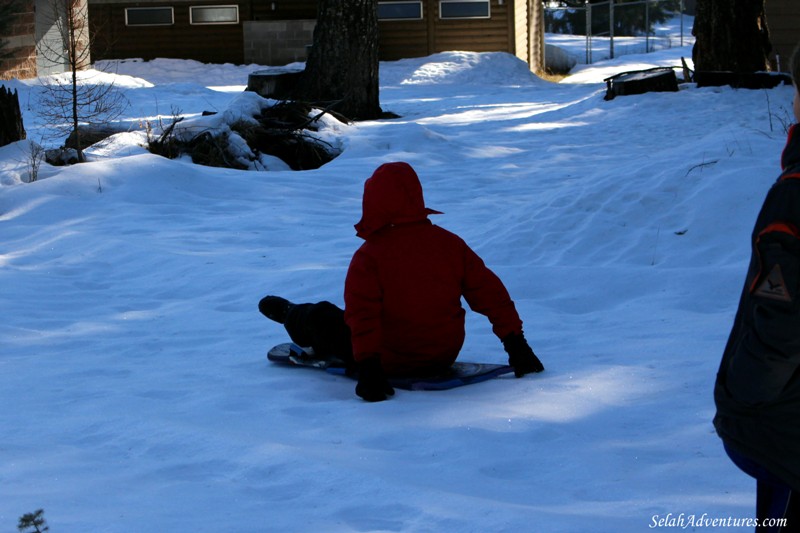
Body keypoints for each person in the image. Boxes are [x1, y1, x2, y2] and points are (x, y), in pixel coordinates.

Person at [260, 161, 543, 402]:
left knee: (323, 315)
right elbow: (491, 294)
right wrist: (517, 346)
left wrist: (369, 369)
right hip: (442, 354)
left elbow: (363, 315)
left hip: (387, 359)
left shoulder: (370, 256)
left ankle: (291, 315)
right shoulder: (451, 245)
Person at [713, 45, 800, 532]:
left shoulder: (793, 196)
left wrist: (743, 401)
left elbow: (783, 316)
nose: (791, 102)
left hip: (782, 426)